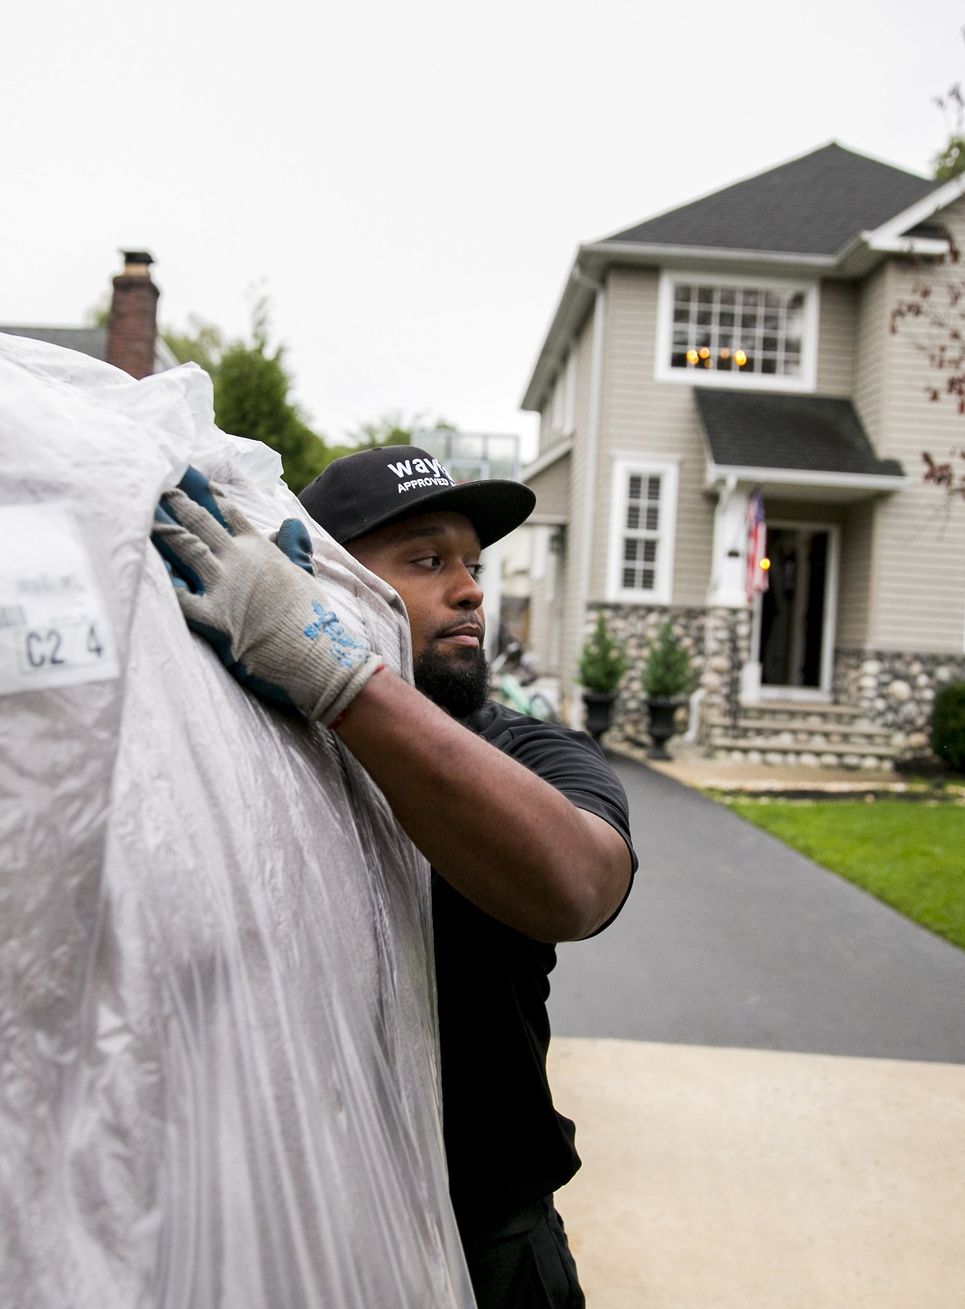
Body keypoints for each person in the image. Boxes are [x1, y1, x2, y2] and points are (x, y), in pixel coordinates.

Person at [151, 450, 635, 1309]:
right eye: (427, 559)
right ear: (324, 578)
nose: (472, 591)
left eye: (473, 564)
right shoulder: (257, 746)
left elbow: (578, 885)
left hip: (494, 1243)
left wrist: (336, 674)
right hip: (301, 1239)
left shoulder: (530, 751)